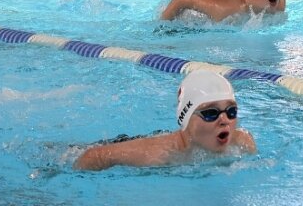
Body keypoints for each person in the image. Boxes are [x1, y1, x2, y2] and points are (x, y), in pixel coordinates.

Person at [74, 70, 256, 171]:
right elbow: (93, 156)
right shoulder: (158, 155)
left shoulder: (242, 143)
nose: (224, 120)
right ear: (186, 118)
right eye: (210, 113)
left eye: (231, 111)